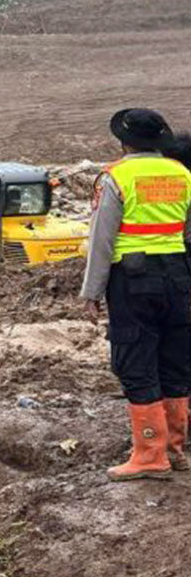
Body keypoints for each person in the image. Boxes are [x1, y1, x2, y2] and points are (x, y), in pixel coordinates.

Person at [80, 108, 191, 481]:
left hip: (132, 279)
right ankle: (175, 450)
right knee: (174, 361)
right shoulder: (182, 173)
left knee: (135, 362)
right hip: (178, 275)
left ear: (124, 142)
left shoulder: (116, 177)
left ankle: (149, 454)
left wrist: (92, 290)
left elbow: (101, 238)